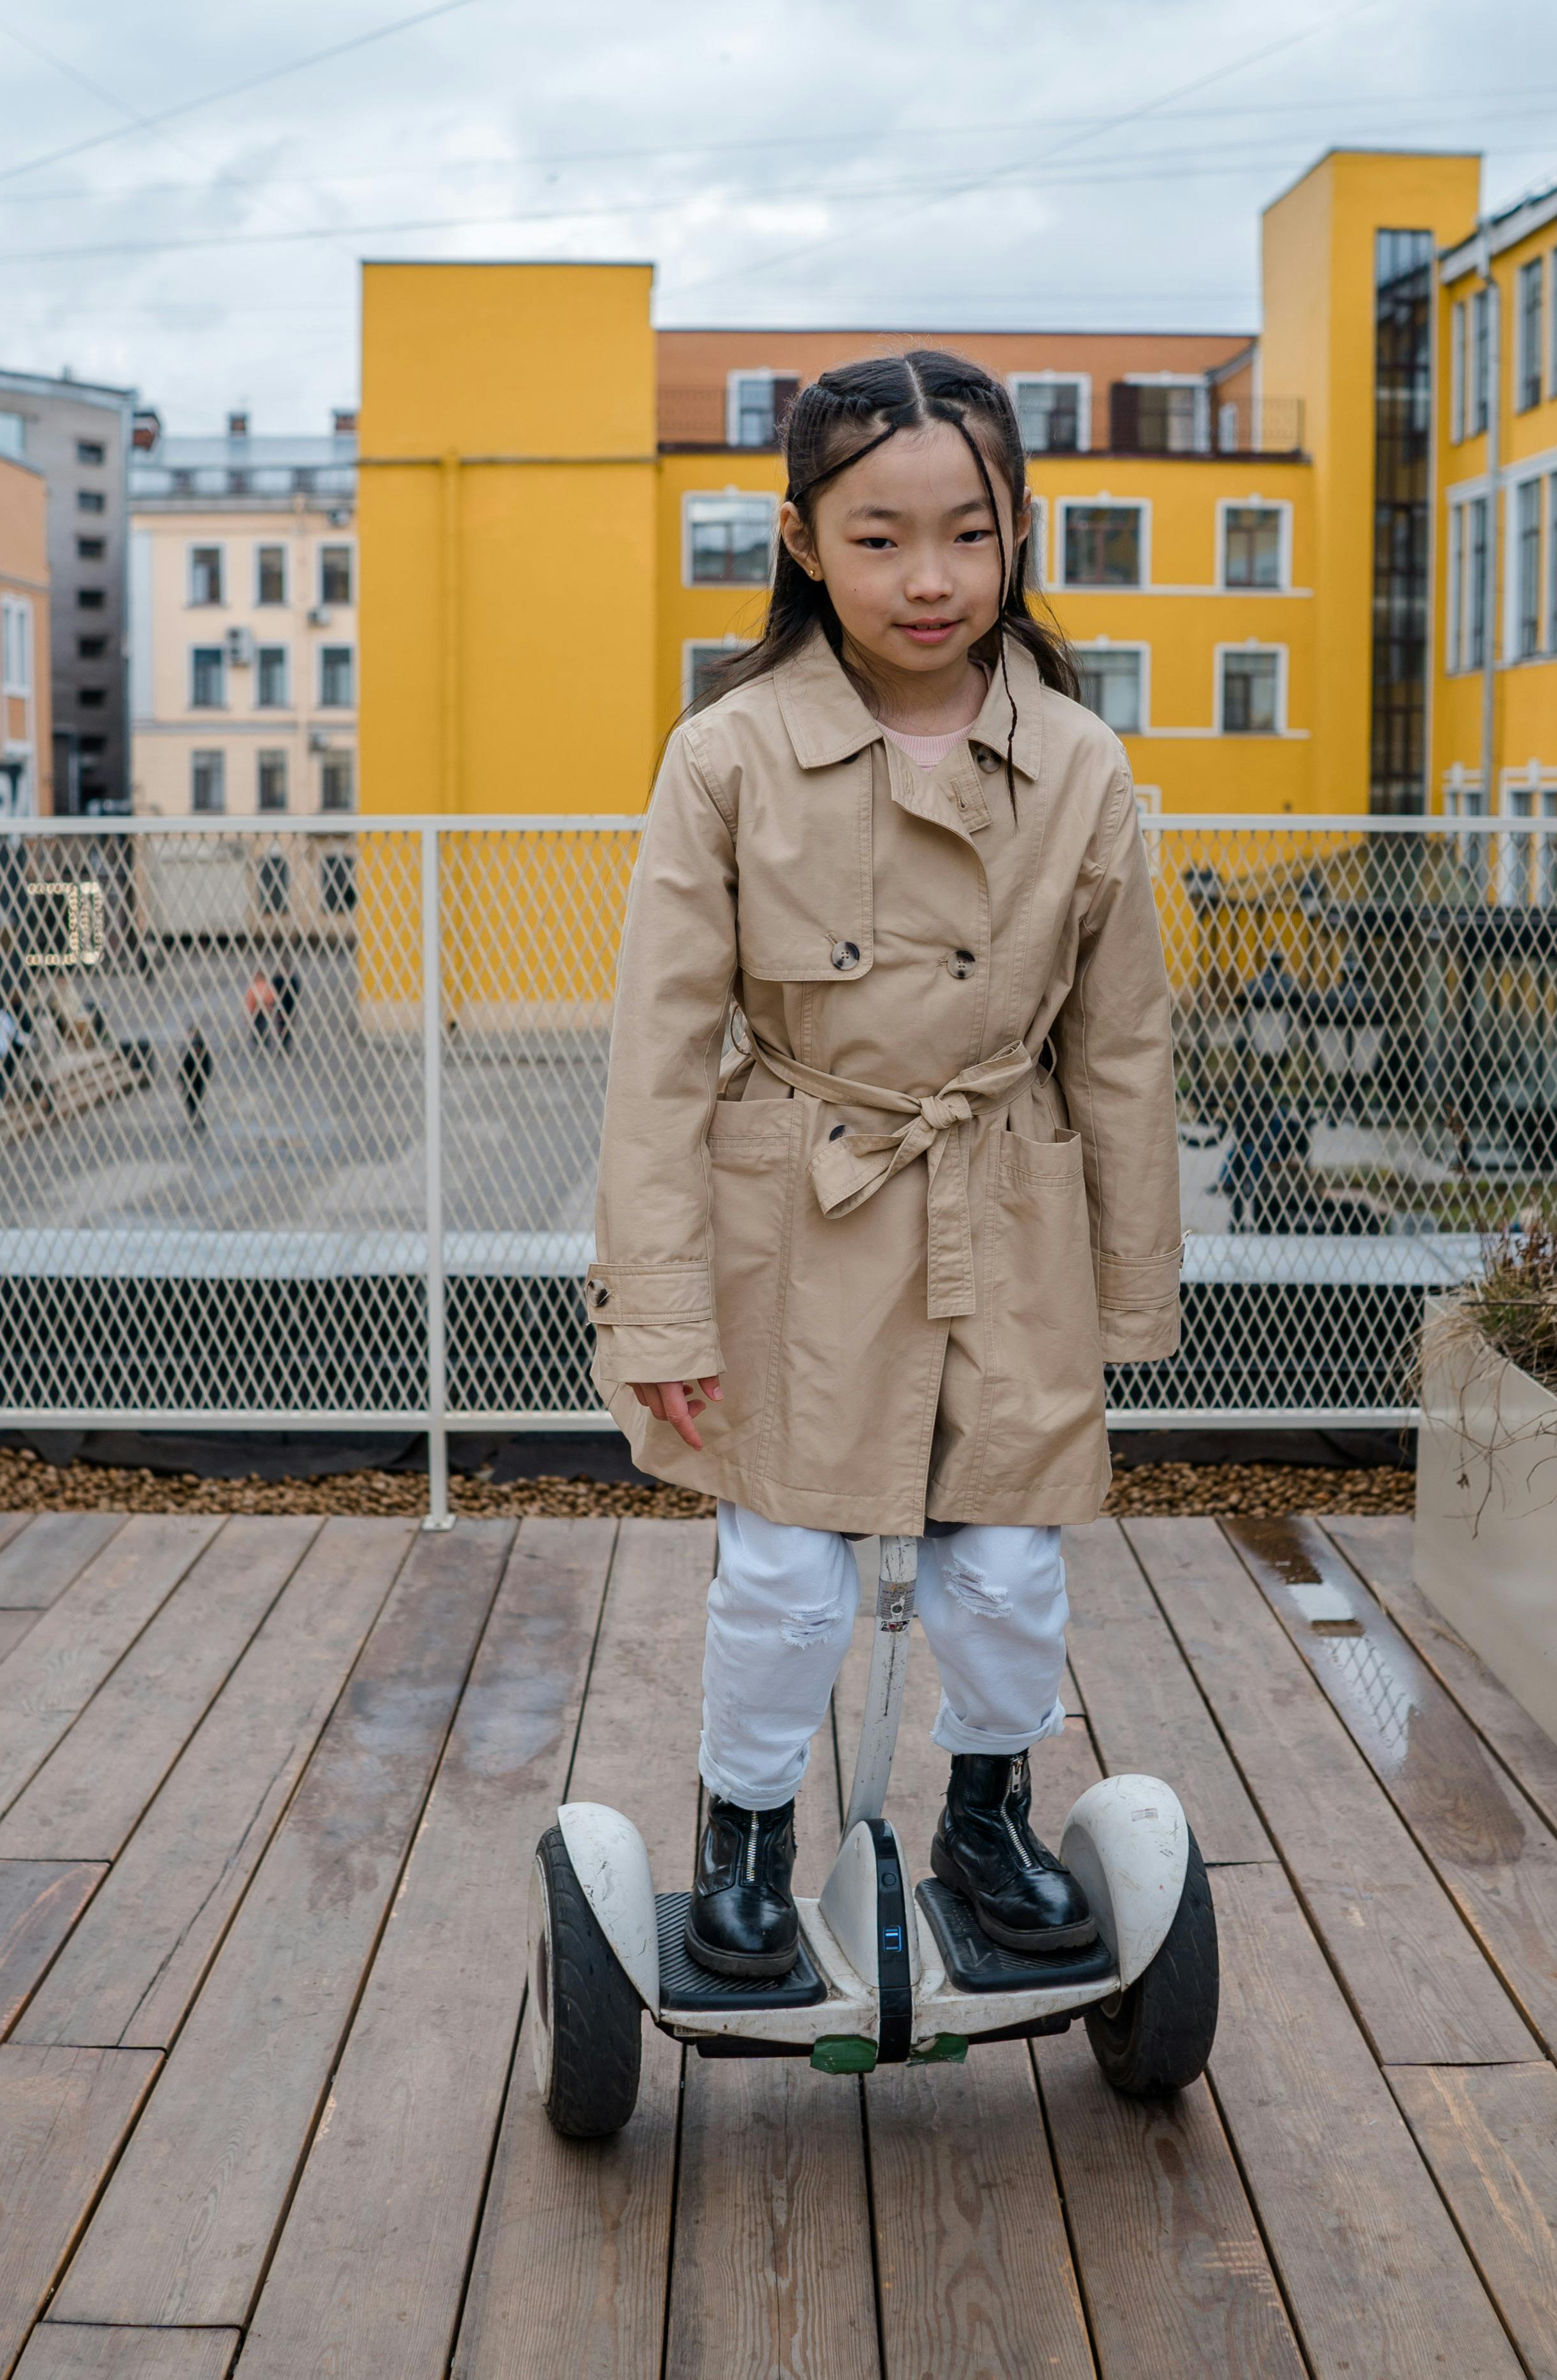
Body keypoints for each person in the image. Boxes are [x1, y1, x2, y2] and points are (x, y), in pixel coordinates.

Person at [588, 352, 1181, 1981]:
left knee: (1005, 1565)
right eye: (876, 537)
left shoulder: (1081, 766)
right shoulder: (725, 756)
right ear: (797, 539)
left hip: (1009, 1208)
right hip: (792, 1206)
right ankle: (746, 1842)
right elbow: (657, 1056)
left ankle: (987, 1813)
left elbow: (1120, 1048)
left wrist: (1129, 1291)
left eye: (968, 533)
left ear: (1016, 533)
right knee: (781, 1570)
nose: (929, 579)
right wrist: (658, 1308)